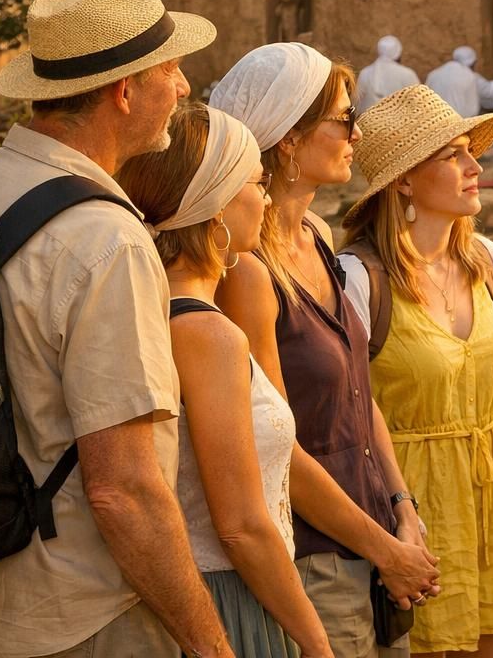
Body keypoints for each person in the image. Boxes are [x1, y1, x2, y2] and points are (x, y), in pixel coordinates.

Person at [0, 0, 232, 657]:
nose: (182, 90)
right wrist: (211, 645)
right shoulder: (107, 240)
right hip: (87, 615)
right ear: (125, 92)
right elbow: (124, 490)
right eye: (172, 69)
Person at [211, 43, 440, 658]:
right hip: (318, 558)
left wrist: (402, 508)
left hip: (372, 534)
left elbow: (360, 396)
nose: (357, 133)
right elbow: (275, 445)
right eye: (344, 118)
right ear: (288, 139)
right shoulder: (248, 272)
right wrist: (385, 548)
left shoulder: (316, 237)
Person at [338, 84, 493, 656]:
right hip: (412, 506)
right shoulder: (359, 279)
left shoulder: (488, 263)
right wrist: (396, 518)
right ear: (405, 181)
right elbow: (354, 411)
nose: (474, 165)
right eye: (452, 154)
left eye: (471, 150)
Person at [117, 104, 334, 658]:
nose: (265, 199)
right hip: (232, 596)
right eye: (256, 184)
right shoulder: (208, 335)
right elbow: (240, 525)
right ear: (212, 205)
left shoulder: (158, 304)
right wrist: (315, 641)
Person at [427, 46, 493, 118]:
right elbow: (490, 94)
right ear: (473, 63)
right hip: (462, 126)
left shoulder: (433, 74)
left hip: (436, 125)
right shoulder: (471, 76)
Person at [356, 35, 420, 115]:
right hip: (399, 125)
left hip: (370, 124)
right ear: (398, 53)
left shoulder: (365, 73)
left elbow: (356, 104)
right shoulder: (408, 74)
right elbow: (419, 103)